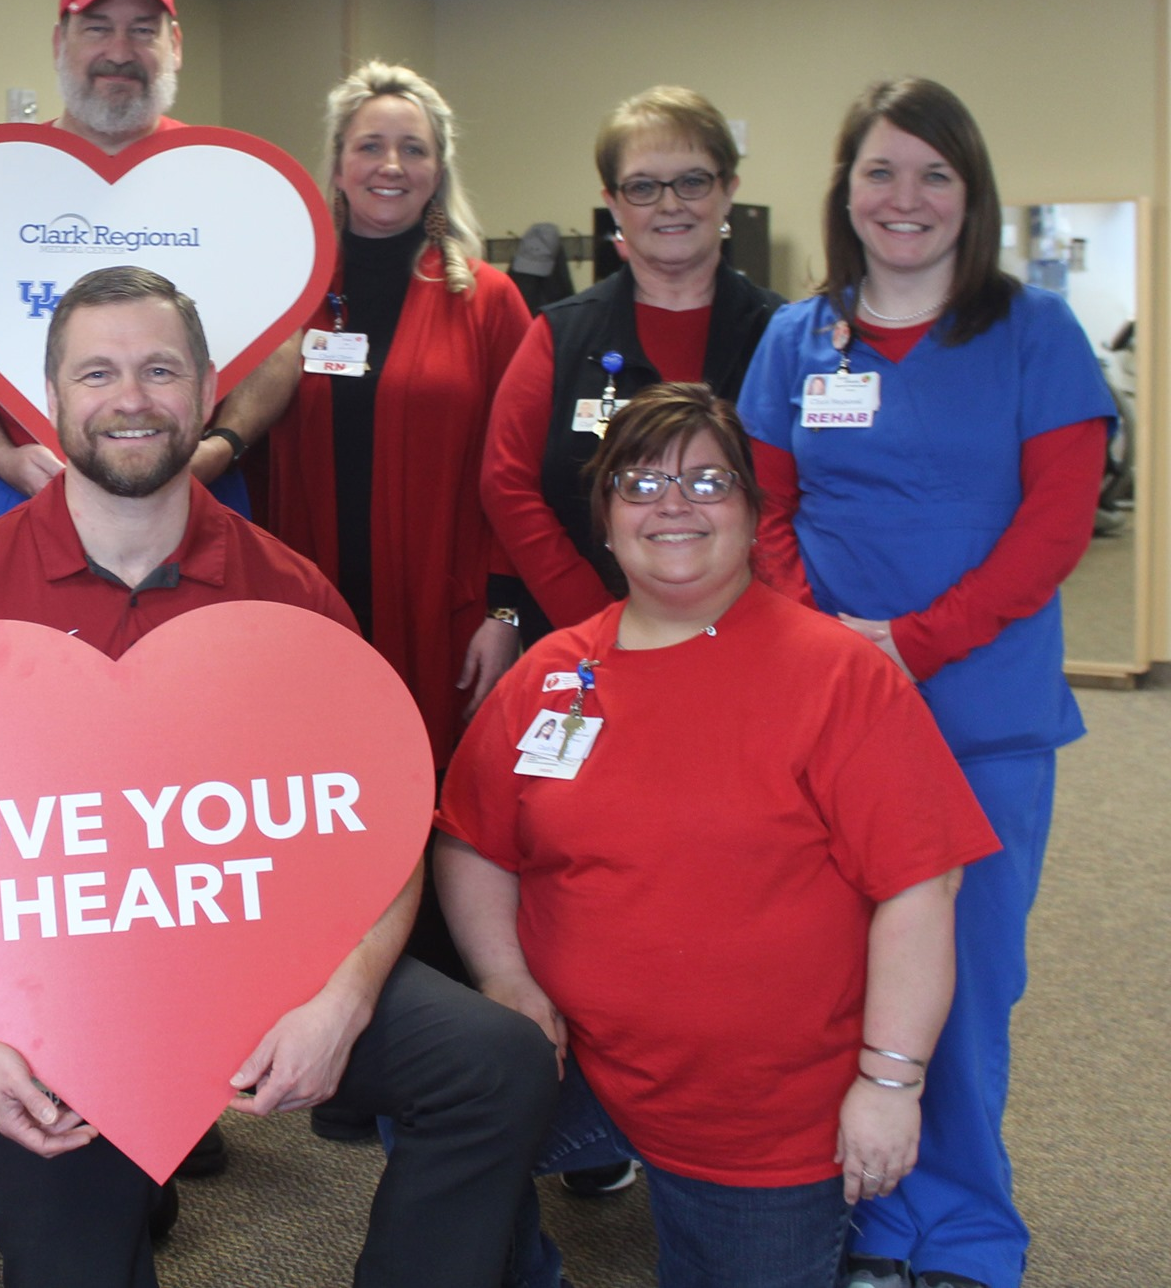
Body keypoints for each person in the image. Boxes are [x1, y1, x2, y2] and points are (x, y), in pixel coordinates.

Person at [0, 267, 558, 1288]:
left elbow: (382, 814)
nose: (131, 398)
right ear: (49, 397)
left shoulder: (288, 593)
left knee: (493, 1065)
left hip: (271, 973)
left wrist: (340, 999)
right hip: (61, 1017)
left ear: (204, 390)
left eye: (158, 369)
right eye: (95, 372)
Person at [437, 383, 1000, 1288]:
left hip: (764, 1113)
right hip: (576, 1060)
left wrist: (891, 1083)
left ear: (749, 509)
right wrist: (506, 979)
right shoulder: (554, 669)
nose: (672, 503)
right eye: (639, 481)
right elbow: (471, 839)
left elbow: (920, 888)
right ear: (606, 518)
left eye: (707, 481)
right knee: (435, 1096)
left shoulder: (839, 677)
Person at [736, 78, 1115, 1288]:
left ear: (970, 191)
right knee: (835, 978)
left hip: (976, 711)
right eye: (879, 173)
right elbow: (762, 509)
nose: (904, 199)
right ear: (843, 190)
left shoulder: (1032, 331)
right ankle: (867, 1219)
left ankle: (958, 1231)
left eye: (933, 174)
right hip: (828, 708)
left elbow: (1055, 525)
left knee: (963, 989)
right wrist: (821, 641)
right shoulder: (798, 336)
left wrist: (913, 641)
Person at [0, 0, 298, 534]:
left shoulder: (225, 183)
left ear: (176, 45)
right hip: (20, 489)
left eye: (143, 29)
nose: (120, 50)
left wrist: (221, 447)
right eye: (97, 27)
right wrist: (0, 455)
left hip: (193, 492)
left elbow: (279, 347)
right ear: (61, 40)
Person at [266, 60, 531, 770]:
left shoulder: (489, 302)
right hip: (311, 607)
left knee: (443, 803)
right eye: (370, 145)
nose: (391, 165)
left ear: (438, 170)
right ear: (339, 164)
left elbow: (519, 472)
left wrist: (505, 617)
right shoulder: (289, 297)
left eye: (413, 148)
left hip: (446, 615)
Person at [482, 86, 781, 648]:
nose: (670, 204)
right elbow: (507, 487)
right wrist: (602, 621)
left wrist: (735, 623)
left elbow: (796, 498)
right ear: (614, 204)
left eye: (692, 181)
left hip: (751, 636)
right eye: (643, 187)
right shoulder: (558, 334)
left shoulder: (783, 336)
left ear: (728, 193)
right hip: (587, 635)